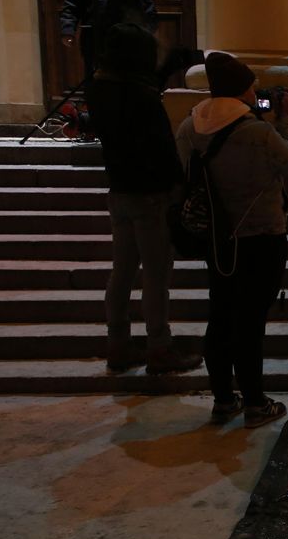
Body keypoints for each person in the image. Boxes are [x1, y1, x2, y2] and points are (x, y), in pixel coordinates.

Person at [175, 53, 288, 428]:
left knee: (220, 315)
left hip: (216, 237)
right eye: (251, 85)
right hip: (262, 235)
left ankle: (222, 400)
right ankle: (255, 402)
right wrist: (286, 120)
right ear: (242, 88)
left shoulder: (189, 126)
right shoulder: (258, 132)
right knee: (251, 321)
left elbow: (184, 170)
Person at [84, 23, 202, 375]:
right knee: (155, 275)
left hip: (119, 191)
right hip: (150, 194)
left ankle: (118, 343)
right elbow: (163, 148)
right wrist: (179, 188)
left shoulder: (100, 90)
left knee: (121, 272)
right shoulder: (142, 97)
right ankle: (159, 347)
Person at [60, 0, 156, 80]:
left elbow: (149, 12)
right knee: (95, 78)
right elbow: (71, 6)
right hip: (94, 40)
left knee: (125, 78)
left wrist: (146, 36)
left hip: (126, 41)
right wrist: (68, 30)